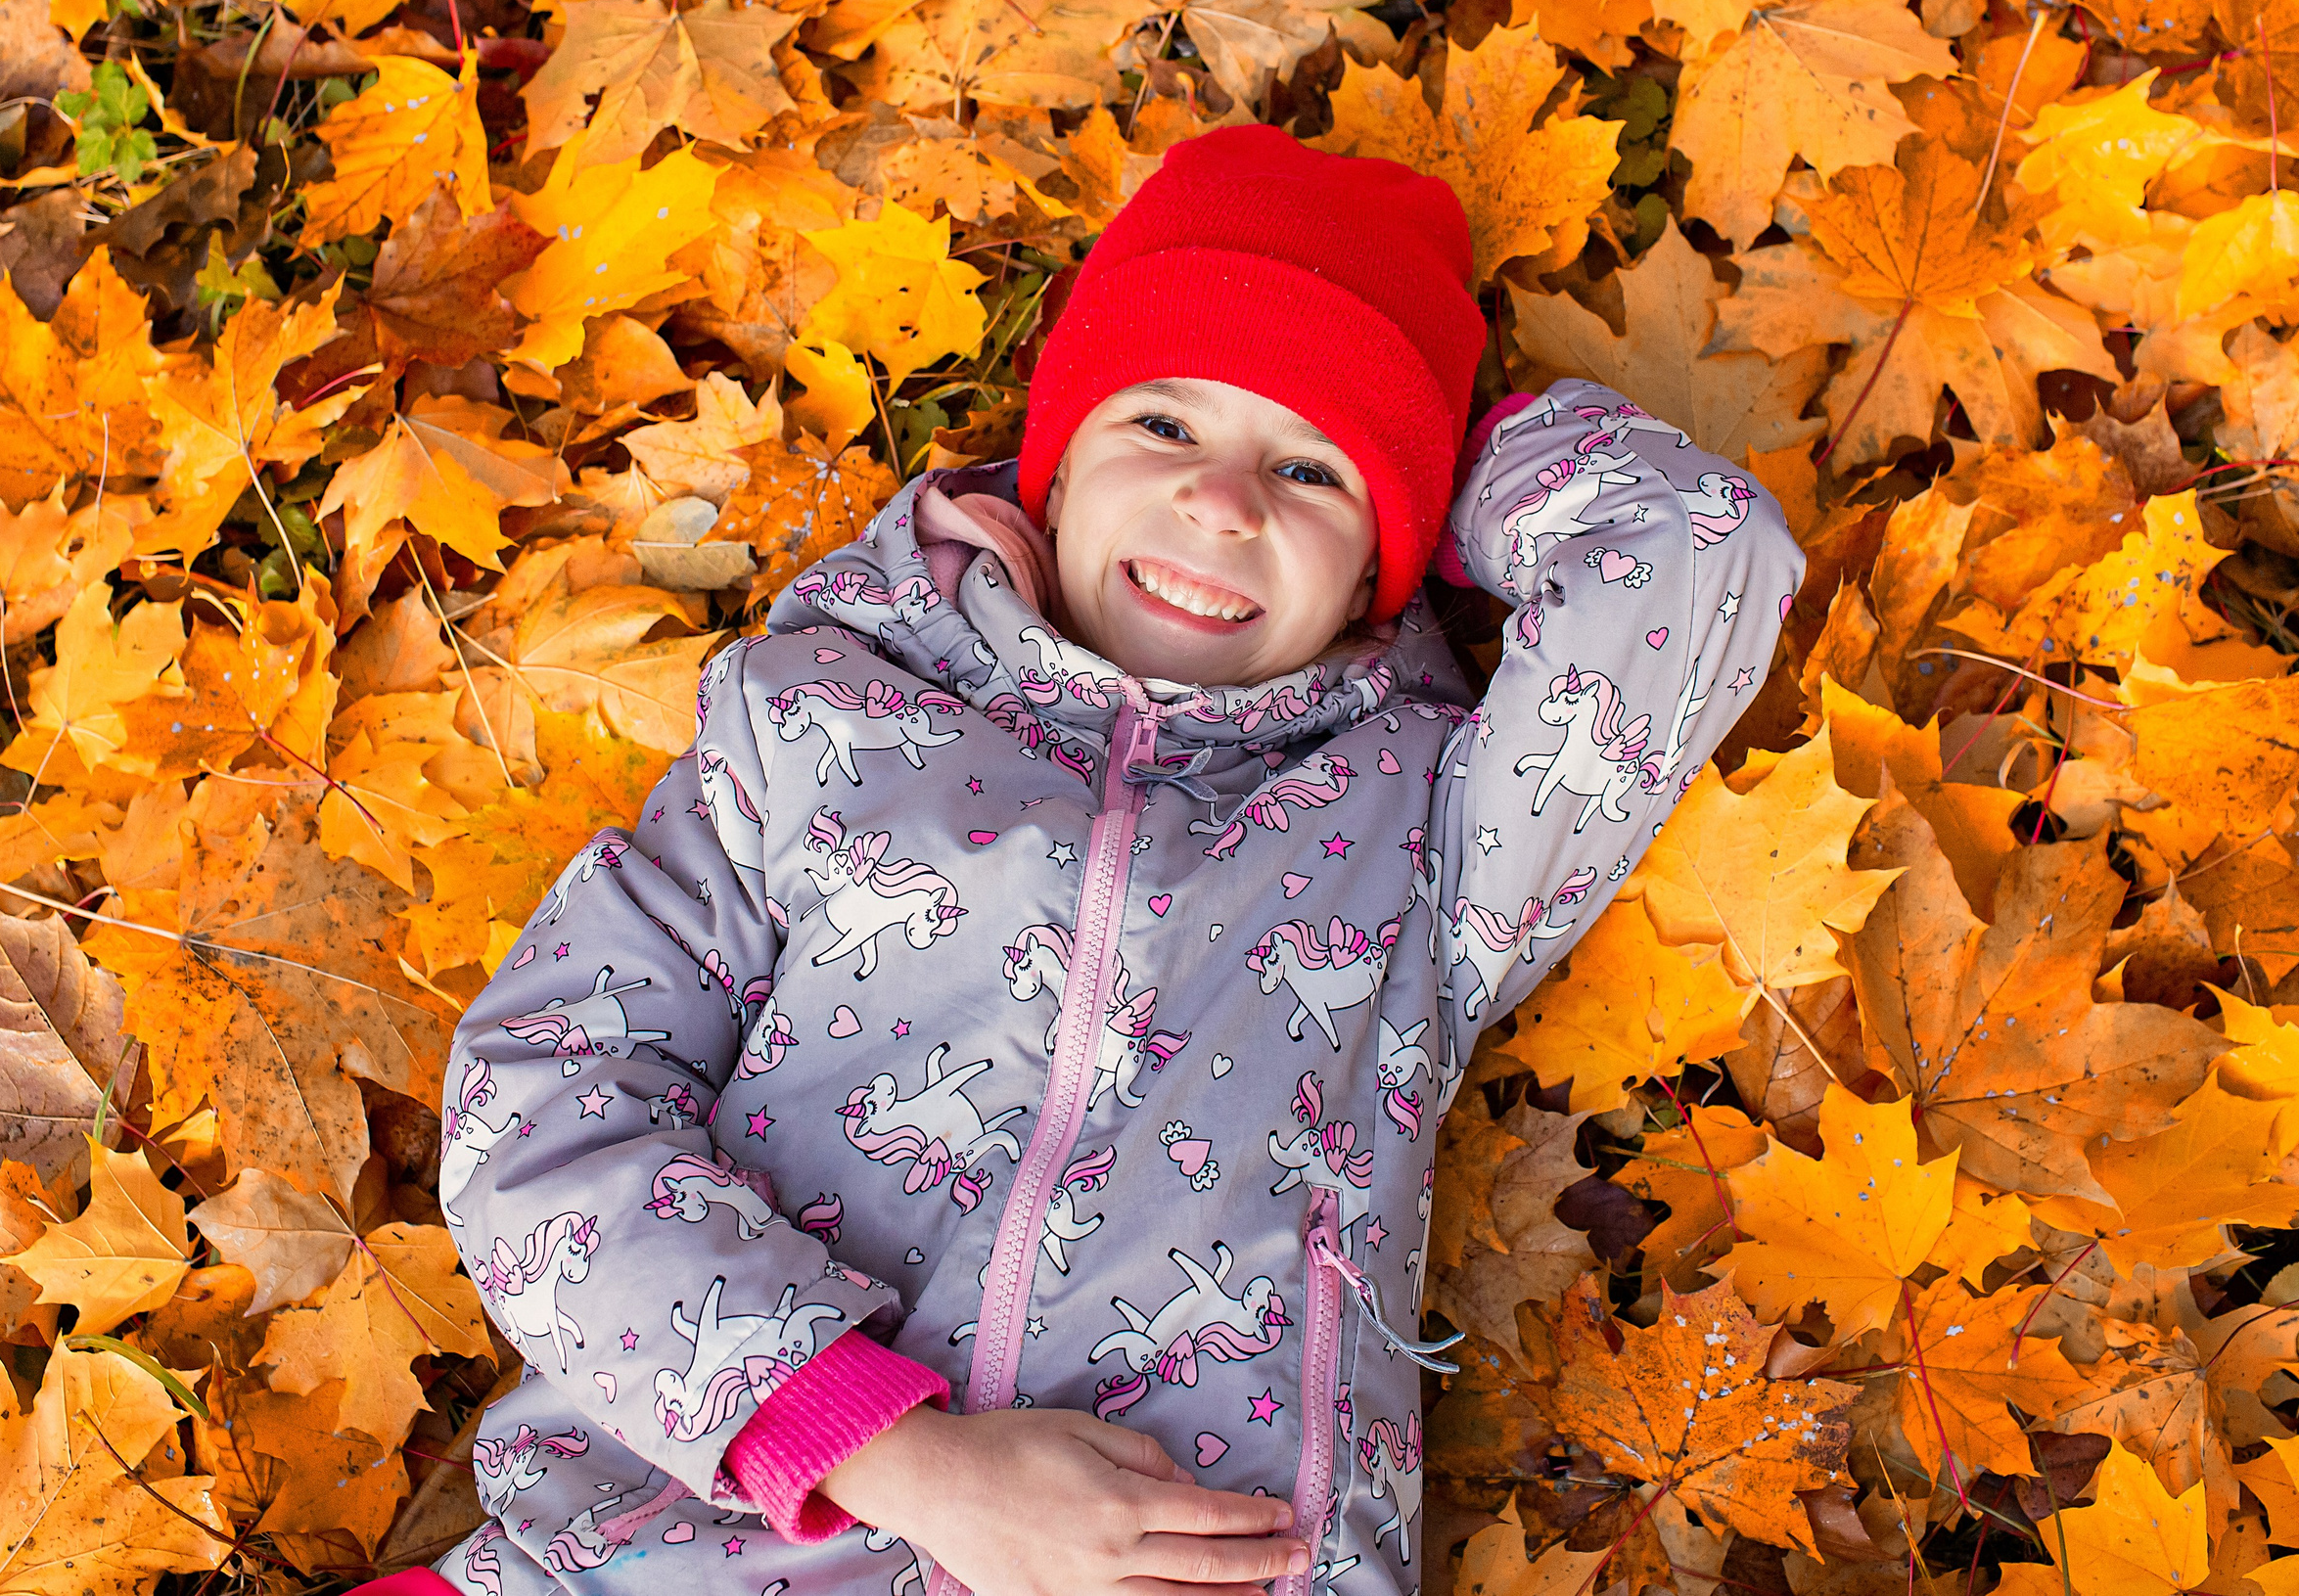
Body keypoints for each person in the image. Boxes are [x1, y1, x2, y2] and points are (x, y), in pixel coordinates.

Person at [386, 124, 1803, 1596]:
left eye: (1313, 474)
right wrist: (888, 1456)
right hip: (654, 1559)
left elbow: (1697, 546)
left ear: (1396, 558)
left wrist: (1434, 440)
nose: (1224, 503)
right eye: (1165, 427)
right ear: (1053, 472)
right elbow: (542, 1106)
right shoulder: (818, 720)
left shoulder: (1427, 840)